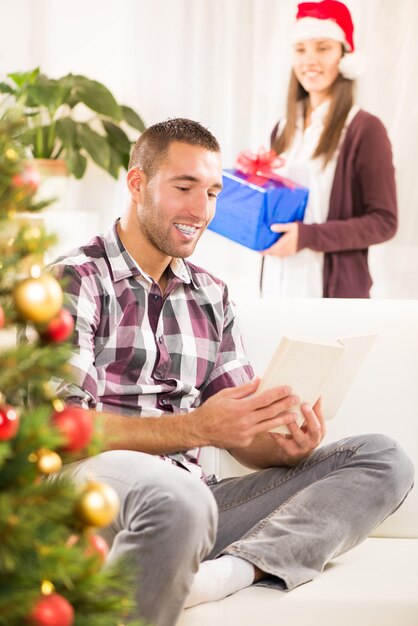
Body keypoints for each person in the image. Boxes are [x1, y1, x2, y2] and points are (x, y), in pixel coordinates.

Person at [53, 118, 413, 626]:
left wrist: (283, 443)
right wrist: (196, 428)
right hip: (100, 495)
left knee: (382, 458)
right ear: (137, 184)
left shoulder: (211, 294)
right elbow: (59, 430)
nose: (201, 211)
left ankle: (233, 571)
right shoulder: (77, 279)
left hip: (201, 501)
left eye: (213, 192)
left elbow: (242, 432)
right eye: (184, 188)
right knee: (176, 498)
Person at [261, 0, 397, 298]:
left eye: (323, 48)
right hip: (277, 284)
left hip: (329, 292)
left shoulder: (364, 129)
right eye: (301, 49)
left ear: (344, 57)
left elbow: (384, 222)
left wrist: (308, 236)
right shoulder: (283, 128)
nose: (309, 60)